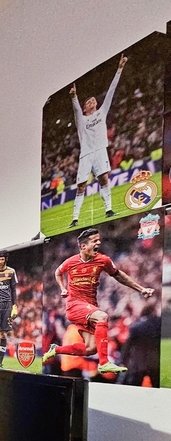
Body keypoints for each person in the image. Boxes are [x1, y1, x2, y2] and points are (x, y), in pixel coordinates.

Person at [43, 228, 154, 374]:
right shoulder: (71, 261)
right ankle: (104, 363)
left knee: (91, 349)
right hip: (74, 305)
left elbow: (119, 275)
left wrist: (141, 289)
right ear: (83, 246)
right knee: (102, 316)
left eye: (99, 240)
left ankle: (56, 349)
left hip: (90, 307)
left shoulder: (103, 260)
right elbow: (58, 272)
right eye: (94, 241)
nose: (98, 243)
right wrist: (63, 288)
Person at [69, 54, 127, 228]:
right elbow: (76, 110)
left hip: (101, 150)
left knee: (104, 179)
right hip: (86, 154)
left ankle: (108, 209)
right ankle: (75, 219)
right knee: (81, 186)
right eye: (88, 101)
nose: (92, 101)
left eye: (93, 100)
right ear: (85, 108)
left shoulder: (101, 113)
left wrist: (119, 69)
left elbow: (111, 91)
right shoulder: (82, 120)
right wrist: (74, 97)